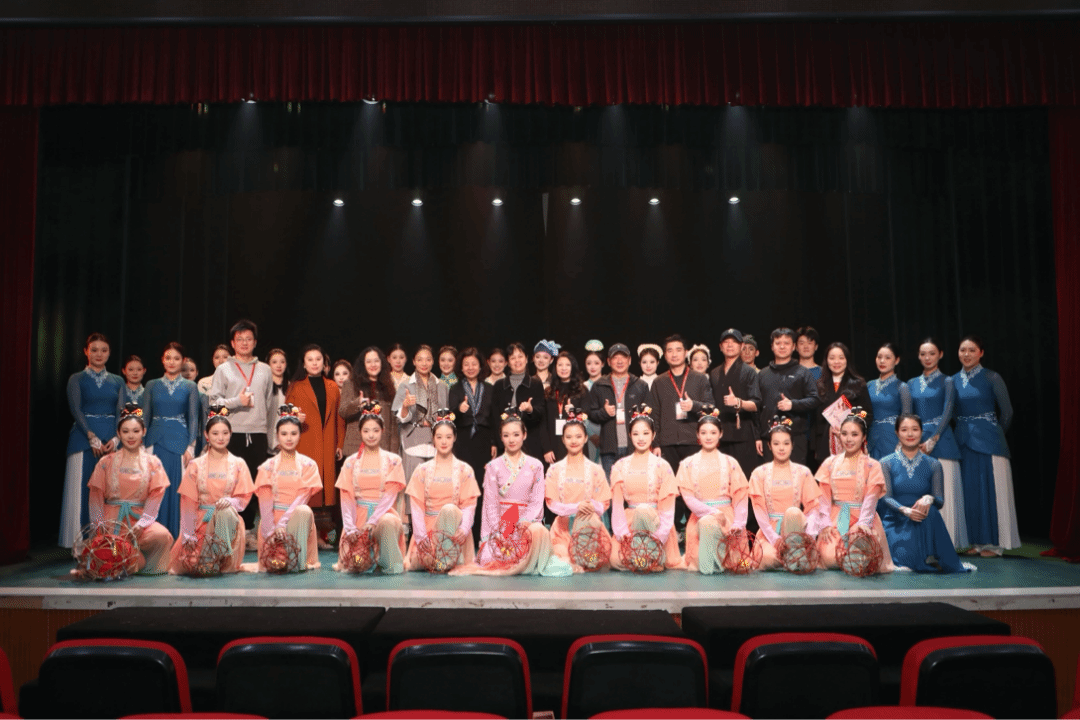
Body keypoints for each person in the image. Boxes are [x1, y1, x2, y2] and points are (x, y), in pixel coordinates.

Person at [469, 407, 564, 576]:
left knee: (529, 548)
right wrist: (499, 532)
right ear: (501, 437)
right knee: (491, 557)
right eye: (506, 435)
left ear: (524, 435)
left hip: (526, 525)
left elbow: (536, 501)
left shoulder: (536, 465)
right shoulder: (493, 466)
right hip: (500, 526)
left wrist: (524, 524)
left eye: (516, 434)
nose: (511, 440)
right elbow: (490, 504)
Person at [86, 404, 174, 574]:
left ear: (144, 432)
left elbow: (155, 497)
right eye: (125, 431)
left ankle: (139, 562)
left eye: (136, 431)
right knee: (119, 553)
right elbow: (95, 496)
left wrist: (143, 523)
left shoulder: (153, 463)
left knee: (161, 536)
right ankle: (125, 559)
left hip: (138, 522)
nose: (131, 436)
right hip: (112, 523)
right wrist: (99, 524)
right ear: (118, 434)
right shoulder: (106, 462)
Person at [167, 407, 254, 575]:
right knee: (191, 563)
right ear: (206, 435)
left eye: (225, 433)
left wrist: (230, 502)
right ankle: (206, 557)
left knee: (225, 512)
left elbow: (243, 498)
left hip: (228, 523)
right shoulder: (195, 465)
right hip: (201, 522)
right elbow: (187, 502)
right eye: (215, 433)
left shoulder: (238, 464)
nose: (220, 438)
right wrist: (188, 534)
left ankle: (216, 557)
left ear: (231, 434)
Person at [953, 336, 1019, 556]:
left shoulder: (992, 377)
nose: (967, 354)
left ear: (981, 353)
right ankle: (977, 542)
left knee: (993, 492)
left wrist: (994, 433)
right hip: (963, 442)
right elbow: (951, 412)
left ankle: (995, 545)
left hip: (990, 443)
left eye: (972, 350)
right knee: (971, 493)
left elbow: (1007, 412)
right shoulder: (953, 380)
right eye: (963, 350)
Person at [879, 414, 970, 572]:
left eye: (915, 429)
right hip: (897, 520)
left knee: (932, 511)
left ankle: (930, 554)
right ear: (897, 433)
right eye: (904, 430)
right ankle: (925, 555)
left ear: (921, 432)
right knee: (905, 561)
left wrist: (928, 498)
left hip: (922, 518)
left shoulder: (934, 464)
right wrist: (905, 510)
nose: (910, 434)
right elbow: (886, 498)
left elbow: (940, 501)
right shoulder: (886, 462)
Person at [61, 333, 125, 548]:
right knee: (82, 490)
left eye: (104, 350)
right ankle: (81, 543)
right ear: (86, 352)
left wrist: (117, 437)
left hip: (111, 440)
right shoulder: (76, 378)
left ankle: (107, 542)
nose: (99, 354)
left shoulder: (118, 380)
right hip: (83, 438)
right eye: (94, 350)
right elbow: (76, 409)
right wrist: (90, 436)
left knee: (109, 492)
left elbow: (121, 411)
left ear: (109, 353)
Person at [814, 409, 896, 573]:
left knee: (859, 542)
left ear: (863, 437)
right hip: (836, 518)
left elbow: (871, 500)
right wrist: (825, 524)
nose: (848, 439)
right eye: (844, 434)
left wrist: (863, 525)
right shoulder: (830, 463)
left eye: (854, 434)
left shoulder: (872, 465)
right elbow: (823, 499)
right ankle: (850, 557)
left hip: (863, 517)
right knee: (830, 558)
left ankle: (858, 552)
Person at [649, 334, 715, 534]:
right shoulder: (659, 381)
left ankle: (695, 527)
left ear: (686, 353)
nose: (674, 354)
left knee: (694, 486)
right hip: (667, 443)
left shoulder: (699, 378)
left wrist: (693, 405)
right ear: (665, 355)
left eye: (678, 350)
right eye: (670, 350)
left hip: (693, 440)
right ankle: (675, 529)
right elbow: (654, 414)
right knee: (671, 488)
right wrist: (656, 443)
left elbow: (711, 408)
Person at [333, 400, 407, 574]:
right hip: (359, 519)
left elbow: (390, 496)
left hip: (384, 515)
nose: (371, 435)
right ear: (360, 432)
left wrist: (373, 521)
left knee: (388, 524)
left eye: (375, 430)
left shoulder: (393, 460)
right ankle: (366, 558)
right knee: (357, 564)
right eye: (366, 431)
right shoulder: (351, 462)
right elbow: (346, 498)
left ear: (382, 431)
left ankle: (387, 561)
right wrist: (350, 528)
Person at [247, 405, 322, 572]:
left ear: (300, 435)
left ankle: (299, 562)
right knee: (275, 565)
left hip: (297, 518)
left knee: (304, 510)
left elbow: (303, 498)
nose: (289, 438)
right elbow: (265, 503)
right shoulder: (267, 466)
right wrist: (271, 532)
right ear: (277, 436)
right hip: (272, 522)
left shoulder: (308, 465)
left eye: (294, 434)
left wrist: (283, 523)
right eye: (284, 434)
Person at [908, 337, 967, 549]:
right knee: (920, 493)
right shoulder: (911, 383)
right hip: (917, 442)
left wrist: (933, 439)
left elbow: (947, 411)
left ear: (940, 355)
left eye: (932, 353)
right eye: (923, 354)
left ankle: (947, 543)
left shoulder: (947, 381)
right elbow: (909, 415)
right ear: (918, 356)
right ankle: (925, 544)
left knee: (944, 492)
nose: (927, 358)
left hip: (942, 442)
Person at [404, 410, 481, 571]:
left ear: (454, 438)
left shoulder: (464, 470)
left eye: (448, 437)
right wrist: (421, 537)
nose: (444, 441)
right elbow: (417, 508)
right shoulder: (422, 470)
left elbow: (469, 505)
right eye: (439, 437)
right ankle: (436, 558)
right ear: (433, 439)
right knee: (426, 560)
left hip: (454, 531)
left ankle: (446, 559)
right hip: (428, 533)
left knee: (450, 509)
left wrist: (464, 528)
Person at [608, 404, 682, 571]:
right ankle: (646, 559)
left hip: (655, 523)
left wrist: (660, 536)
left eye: (646, 433)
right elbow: (617, 507)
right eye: (636, 434)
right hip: (630, 522)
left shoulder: (662, 466)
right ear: (629, 435)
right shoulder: (619, 466)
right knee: (615, 561)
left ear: (653, 435)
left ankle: (653, 554)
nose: (641, 438)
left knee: (642, 510)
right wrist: (622, 535)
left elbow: (668, 509)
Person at [676, 406, 749, 574]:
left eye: (713, 432)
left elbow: (740, 496)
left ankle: (719, 561)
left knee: (738, 562)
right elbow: (688, 498)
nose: (708, 437)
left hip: (727, 518)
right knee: (707, 525)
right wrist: (712, 513)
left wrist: (738, 523)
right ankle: (712, 564)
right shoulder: (687, 464)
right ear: (697, 435)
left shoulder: (730, 462)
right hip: (700, 517)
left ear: (720, 434)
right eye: (703, 433)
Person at [286, 344, 345, 548]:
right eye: (310, 359)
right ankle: (307, 535)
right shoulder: (296, 387)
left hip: (328, 443)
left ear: (324, 362)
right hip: (305, 442)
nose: (314, 363)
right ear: (303, 363)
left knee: (326, 493)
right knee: (309, 490)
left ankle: (322, 535)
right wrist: (294, 418)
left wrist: (339, 443)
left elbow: (339, 418)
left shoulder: (332, 386)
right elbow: (285, 417)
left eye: (318, 359)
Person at [749, 416, 826, 570]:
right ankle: (794, 559)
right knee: (768, 558)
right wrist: (775, 539)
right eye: (776, 443)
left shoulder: (803, 472)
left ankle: (796, 554)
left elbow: (813, 508)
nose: (781, 448)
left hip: (797, 528)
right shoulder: (759, 473)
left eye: (786, 443)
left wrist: (810, 536)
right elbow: (759, 511)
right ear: (769, 446)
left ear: (792, 445)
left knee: (792, 513)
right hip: (770, 532)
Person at [143, 342, 200, 538]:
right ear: (162, 360)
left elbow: (193, 418)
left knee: (178, 489)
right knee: (153, 488)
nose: (172, 362)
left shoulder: (190, 386)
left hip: (180, 442)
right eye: (168, 358)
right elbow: (145, 417)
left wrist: (191, 446)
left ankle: (177, 537)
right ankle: (152, 538)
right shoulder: (151, 385)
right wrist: (141, 444)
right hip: (154, 440)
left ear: (183, 361)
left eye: (176, 358)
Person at [545, 408, 612, 572]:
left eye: (578, 436)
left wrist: (590, 506)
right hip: (562, 531)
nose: (573, 441)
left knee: (593, 561)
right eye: (569, 437)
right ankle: (570, 557)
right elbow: (551, 503)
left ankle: (586, 556)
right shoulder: (554, 470)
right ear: (563, 439)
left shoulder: (596, 470)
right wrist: (576, 507)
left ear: (586, 438)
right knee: (563, 561)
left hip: (589, 531)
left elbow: (604, 503)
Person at [208, 320, 276, 481]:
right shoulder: (223, 369)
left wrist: (270, 436)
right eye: (239, 339)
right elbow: (214, 403)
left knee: (256, 484)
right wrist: (237, 401)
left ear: (255, 342)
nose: (244, 343)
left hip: (259, 434)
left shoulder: (266, 369)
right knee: (232, 482)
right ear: (232, 343)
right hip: (231, 432)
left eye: (248, 339)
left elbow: (269, 405)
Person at [449, 347, 494, 543]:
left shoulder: (489, 388)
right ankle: (463, 533)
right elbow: (450, 416)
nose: (470, 367)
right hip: (463, 440)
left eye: (474, 364)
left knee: (483, 486)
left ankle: (480, 534)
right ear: (461, 367)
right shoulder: (456, 388)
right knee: (464, 486)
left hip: (484, 440)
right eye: (466, 364)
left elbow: (494, 418)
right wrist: (459, 409)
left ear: (481, 366)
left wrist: (494, 442)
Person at [586, 343, 651, 477]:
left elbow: (650, 414)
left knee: (634, 485)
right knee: (611, 487)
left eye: (623, 357)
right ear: (609, 361)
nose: (619, 361)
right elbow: (590, 413)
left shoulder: (640, 385)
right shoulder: (599, 385)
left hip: (635, 446)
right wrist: (604, 413)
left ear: (630, 360)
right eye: (615, 358)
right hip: (609, 449)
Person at [756, 328, 820, 464]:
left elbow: (815, 399)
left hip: (796, 436)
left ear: (793, 347)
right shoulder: (762, 374)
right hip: (768, 438)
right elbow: (757, 407)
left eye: (786, 343)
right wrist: (757, 437)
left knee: (796, 476)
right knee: (770, 476)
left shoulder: (803, 372)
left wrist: (793, 404)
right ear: (772, 346)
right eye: (778, 343)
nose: (782, 346)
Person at [708, 328, 762, 480]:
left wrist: (738, 402)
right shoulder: (714, 373)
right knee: (723, 479)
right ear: (720, 346)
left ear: (741, 346)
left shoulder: (749, 372)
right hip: (720, 434)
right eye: (726, 342)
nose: (730, 345)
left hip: (743, 432)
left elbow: (756, 404)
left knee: (743, 478)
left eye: (734, 342)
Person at [393, 345, 450, 485]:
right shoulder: (406, 385)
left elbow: (446, 416)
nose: (424, 363)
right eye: (420, 359)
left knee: (435, 487)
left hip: (436, 441)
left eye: (428, 359)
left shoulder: (442, 386)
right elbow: (399, 417)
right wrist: (405, 406)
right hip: (413, 440)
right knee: (414, 487)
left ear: (433, 361)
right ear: (414, 361)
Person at [813, 342, 873, 465]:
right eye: (832, 358)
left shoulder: (858, 384)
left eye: (841, 358)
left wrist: (851, 425)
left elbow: (867, 414)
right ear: (826, 361)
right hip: (825, 444)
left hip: (851, 442)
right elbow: (814, 419)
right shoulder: (819, 385)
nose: (836, 362)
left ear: (847, 360)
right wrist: (815, 447)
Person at [489, 343, 546, 460]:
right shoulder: (499, 385)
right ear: (508, 362)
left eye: (520, 356)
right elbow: (494, 417)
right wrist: (495, 442)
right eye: (513, 358)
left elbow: (541, 413)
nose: (517, 361)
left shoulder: (535, 383)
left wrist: (530, 409)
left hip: (530, 444)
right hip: (504, 443)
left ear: (526, 359)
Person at [340, 346, 400, 458]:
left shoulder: (389, 387)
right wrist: (357, 403)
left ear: (382, 363)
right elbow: (343, 411)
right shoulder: (350, 384)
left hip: (382, 448)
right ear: (363, 365)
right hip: (356, 448)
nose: (373, 364)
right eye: (368, 361)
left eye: (376, 361)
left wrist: (393, 453)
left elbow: (393, 425)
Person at [867, 343, 912, 460]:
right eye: (879, 357)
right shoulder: (869, 385)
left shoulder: (902, 387)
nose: (882, 361)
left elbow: (907, 418)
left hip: (892, 438)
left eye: (887, 357)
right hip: (871, 437)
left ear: (896, 360)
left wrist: (902, 443)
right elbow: (864, 412)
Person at [542, 351, 588, 466]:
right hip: (554, 445)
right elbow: (543, 422)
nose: (563, 368)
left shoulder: (582, 390)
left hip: (576, 443)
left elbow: (587, 415)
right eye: (560, 365)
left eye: (567, 365)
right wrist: (546, 448)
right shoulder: (549, 391)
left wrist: (576, 411)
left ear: (573, 367)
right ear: (555, 368)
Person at [582, 342, 606, 464]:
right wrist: (590, 434)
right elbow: (580, 413)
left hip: (607, 433)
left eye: (596, 363)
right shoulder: (582, 387)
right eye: (589, 363)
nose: (593, 367)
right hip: (587, 433)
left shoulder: (609, 385)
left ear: (603, 364)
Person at [266, 349, 289, 453]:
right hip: (267, 439)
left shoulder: (292, 387)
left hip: (287, 439)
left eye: (282, 362)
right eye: (274, 362)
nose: (279, 365)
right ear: (268, 365)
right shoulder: (264, 387)